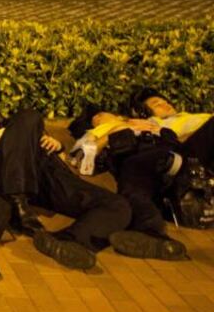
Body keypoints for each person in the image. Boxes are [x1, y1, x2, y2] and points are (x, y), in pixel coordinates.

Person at [0, 105, 131, 271]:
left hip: (47, 173)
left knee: (118, 204)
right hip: (5, 173)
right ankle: (19, 201)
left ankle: (67, 241)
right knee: (29, 116)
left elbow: (73, 165)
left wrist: (58, 148)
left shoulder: (18, 129)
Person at [68, 104, 202, 259]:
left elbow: (181, 136)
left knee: (132, 185)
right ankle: (157, 239)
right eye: (95, 120)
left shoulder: (151, 122)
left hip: (171, 150)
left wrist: (159, 130)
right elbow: (81, 158)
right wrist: (111, 135)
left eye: (101, 115)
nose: (98, 118)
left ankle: (150, 232)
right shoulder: (93, 133)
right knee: (133, 189)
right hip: (139, 160)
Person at [131, 88, 213, 171]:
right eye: (157, 105)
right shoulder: (154, 123)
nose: (166, 105)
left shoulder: (187, 115)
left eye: (166, 102)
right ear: (144, 113)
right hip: (191, 150)